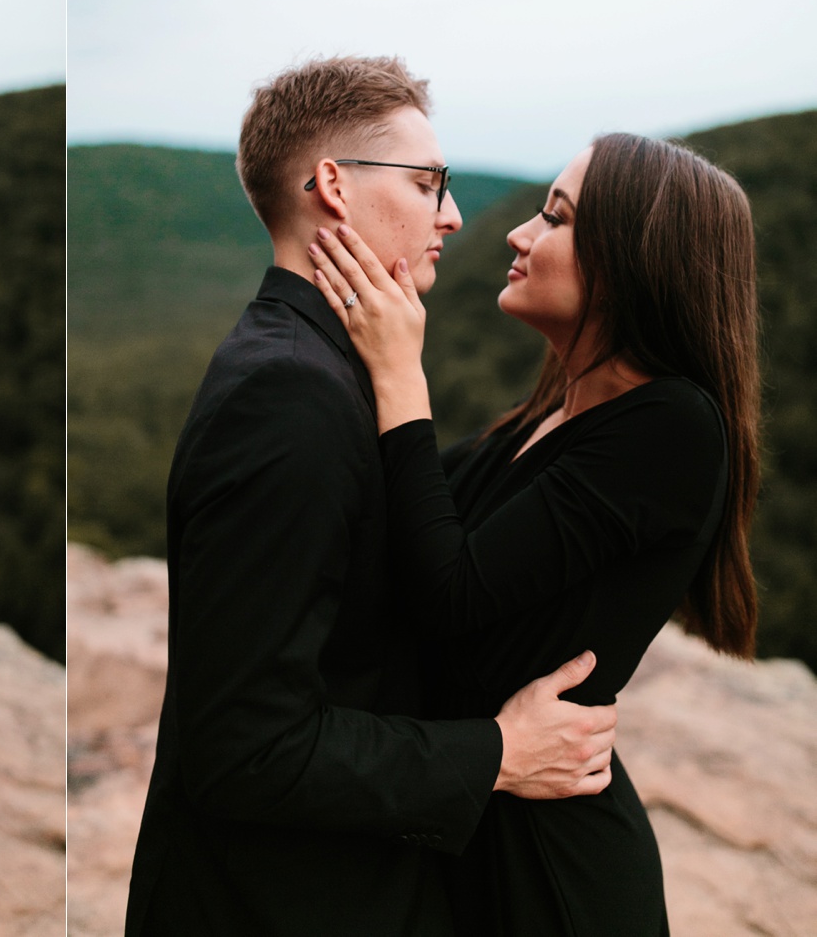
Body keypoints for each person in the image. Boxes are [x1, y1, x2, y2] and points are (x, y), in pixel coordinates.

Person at [124, 56, 621, 937]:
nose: (454, 215)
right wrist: (500, 753)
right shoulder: (287, 396)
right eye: (430, 184)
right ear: (332, 186)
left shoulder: (319, 369)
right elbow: (243, 747)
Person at [306, 132, 759, 935]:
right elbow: (395, 520)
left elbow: (447, 592)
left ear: (630, 258)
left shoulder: (673, 429)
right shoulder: (551, 412)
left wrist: (402, 374)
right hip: (468, 834)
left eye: (554, 217)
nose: (519, 234)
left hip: (549, 876)